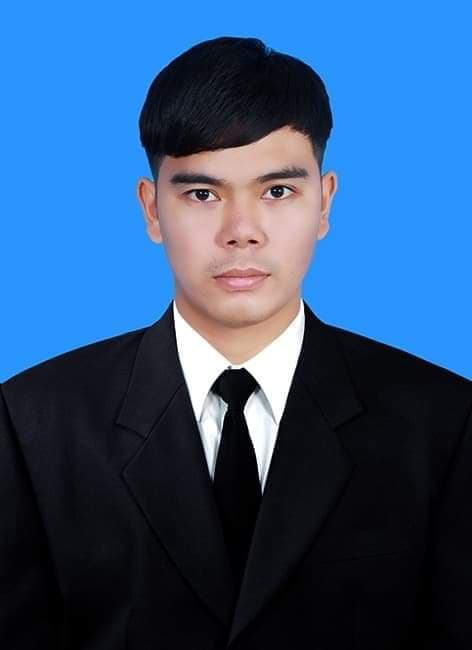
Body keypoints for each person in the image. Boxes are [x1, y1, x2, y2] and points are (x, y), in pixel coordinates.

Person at [1, 35, 471, 650]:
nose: (241, 232)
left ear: (324, 203)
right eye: (202, 194)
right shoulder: (33, 421)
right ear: (152, 209)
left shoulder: (442, 422)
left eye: (277, 191)